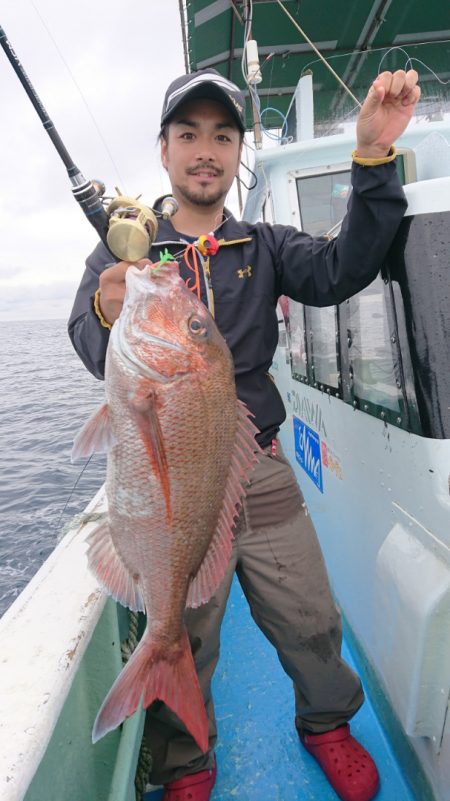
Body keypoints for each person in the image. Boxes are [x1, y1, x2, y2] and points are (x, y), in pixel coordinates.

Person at [69, 67, 420, 801]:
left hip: (255, 465)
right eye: (189, 134)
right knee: (184, 630)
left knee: (311, 614)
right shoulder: (125, 254)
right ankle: (185, 761)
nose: (206, 150)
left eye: (223, 136)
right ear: (164, 150)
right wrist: (106, 308)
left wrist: (373, 159)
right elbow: (91, 342)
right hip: (170, 478)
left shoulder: (262, 244)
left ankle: (327, 720)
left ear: (236, 154)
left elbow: (342, 267)